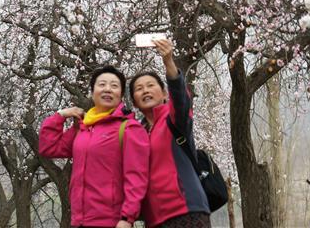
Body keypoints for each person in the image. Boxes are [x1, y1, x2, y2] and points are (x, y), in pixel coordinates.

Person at [39, 65, 150, 228]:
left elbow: (137, 176)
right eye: (102, 84)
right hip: (79, 220)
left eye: (114, 86)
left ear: (121, 94)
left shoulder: (129, 128)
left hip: (111, 221)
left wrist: (127, 218)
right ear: (92, 91)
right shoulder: (83, 127)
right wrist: (61, 115)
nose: (108, 89)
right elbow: (48, 147)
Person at [130, 39, 211, 228]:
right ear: (134, 102)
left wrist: (168, 62)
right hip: (154, 217)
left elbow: (181, 99)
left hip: (187, 209)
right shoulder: (135, 134)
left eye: (151, 85)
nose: (146, 90)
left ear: (164, 93)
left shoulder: (174, 118)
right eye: (139, 89)